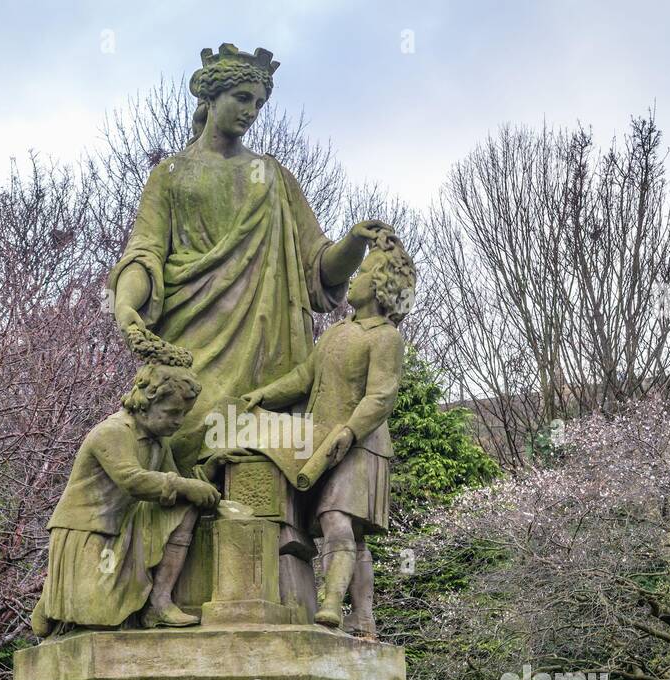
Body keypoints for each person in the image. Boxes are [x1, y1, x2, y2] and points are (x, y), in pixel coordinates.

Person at [109, 43, 385, 471]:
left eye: (259, 103)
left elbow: (320, 268)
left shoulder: (273, 178)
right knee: (181, 436)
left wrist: (353, 243)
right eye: (242, 98)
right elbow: (144, 254)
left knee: (254, 458)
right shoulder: (170, 175)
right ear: (210, 98)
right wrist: (125, 304)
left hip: (268, 351)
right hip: (191, 338)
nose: (251, 111)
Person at [240, 230, 416, 636]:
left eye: (362, 273)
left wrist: (350, 431)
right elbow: (305, 377)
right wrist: (263, 395)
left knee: (337, 520)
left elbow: (381, 396)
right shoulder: (336, 333)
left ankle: (333, 605)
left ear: (381, 285)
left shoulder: (385, 338)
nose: (352, 278)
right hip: (320, 441)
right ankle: (365, 616)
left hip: (359, 446)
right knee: (351, 535)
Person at [31, 364, 221, 636]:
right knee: (96, 619)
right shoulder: (112, 432)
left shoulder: (159, 442)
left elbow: (172, 484)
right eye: (172, 413)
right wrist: (183, 485)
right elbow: (133, 481)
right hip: (88, 529)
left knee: (184, 504)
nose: (179, 421)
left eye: (184, 414)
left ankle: (159, 602)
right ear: (145, 403)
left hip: (126, 524)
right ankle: (54, 596)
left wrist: (204, 479)